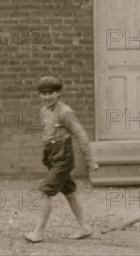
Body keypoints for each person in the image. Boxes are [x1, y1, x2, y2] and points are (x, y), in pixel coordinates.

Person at [24, 76, 99, 243]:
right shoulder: (44, 110)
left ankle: (38, 233)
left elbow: (80, 134)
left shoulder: (65, 111)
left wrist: (89, 159)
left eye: (50, 93)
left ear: (59, 93)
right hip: (53, 156)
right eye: (43, 93)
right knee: (70, 193)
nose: (46, 97)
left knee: (45, 192)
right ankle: (85, 227)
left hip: (63, 157)